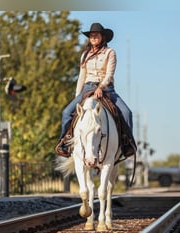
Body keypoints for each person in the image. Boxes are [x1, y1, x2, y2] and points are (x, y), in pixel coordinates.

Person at [56, 22, 135, 157]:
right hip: (87, 88)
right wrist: (78, 96)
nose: (93, 38)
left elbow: (109, 74)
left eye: (96, 35)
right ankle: (64, 141)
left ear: (102, 37)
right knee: (66, 112)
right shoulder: (85, 55)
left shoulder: (110, 53)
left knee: (127, 113)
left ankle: (127, 143)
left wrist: (101, 87)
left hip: (106, 88)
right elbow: (82, 77)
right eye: (91, 36)